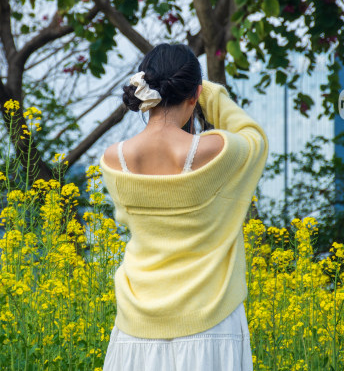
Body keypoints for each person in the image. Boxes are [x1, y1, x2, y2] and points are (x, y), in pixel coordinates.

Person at [99, 42, 269, 371]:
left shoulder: (113, 161)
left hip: (136, 329)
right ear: (194, 94)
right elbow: (254, 137)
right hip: (211, 323)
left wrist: (194, 89)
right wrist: (212, 94)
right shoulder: (216, 150)